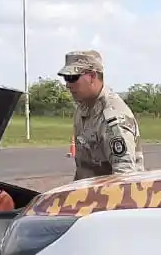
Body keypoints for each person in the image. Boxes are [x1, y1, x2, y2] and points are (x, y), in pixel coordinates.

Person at [59, 49, 145, 180]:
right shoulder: (84, 107)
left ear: (92, 76)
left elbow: (124, 178)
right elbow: (84, 170)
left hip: (111, 192)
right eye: (66, 78)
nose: (67, 85)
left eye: (72, 78)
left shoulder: (113, 118)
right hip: (90, 190)